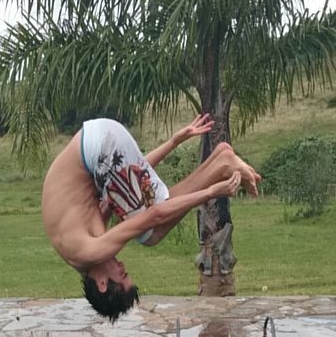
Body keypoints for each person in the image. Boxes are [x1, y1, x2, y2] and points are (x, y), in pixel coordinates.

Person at [42, 114, 261, 321]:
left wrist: (211, 192)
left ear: (101, 283)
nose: (122, 265)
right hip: (101, 136)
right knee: (145, 222)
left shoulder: (89, 251)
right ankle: (219, 160)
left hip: (101, 149)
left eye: (123, 274)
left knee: (149, 235)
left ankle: (221, 164)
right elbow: (132, 181)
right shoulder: (80, 242)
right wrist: (174, 142)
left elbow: (153, 215)